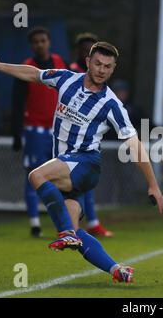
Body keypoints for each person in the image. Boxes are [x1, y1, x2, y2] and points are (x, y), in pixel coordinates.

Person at [0, 41, 163, 283]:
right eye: (97, 63)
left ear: (113, 70)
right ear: (88, 62)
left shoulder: (111, 104)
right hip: (66, 166)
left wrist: (153, 184)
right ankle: (117, 270)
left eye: (108, 66)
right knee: (75, 233)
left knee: (36, 176)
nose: (101, 70)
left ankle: (66, 233)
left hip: (86, 162)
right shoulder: (66, 78)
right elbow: (33, 74)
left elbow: (134, 144)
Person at [12, 27, 68, 238]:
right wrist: (17, 133)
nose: (39, 45)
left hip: (59, 131)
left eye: (43, 40)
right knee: (34, 175)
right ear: (31, 45)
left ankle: (62, 224)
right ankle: (35, 223)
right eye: (35, 42)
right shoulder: (26, 68)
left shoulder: (61, 63)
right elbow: (17, 102)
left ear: (49, 41)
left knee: (61, 178)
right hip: (35, 130)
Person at [69, 32, 113, 238]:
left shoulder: (101, 82)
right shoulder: (71, 74)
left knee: (84, 181)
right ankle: (69, 225)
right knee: (47, 180)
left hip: (88, 139)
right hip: (67, 138)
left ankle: (87, 223)